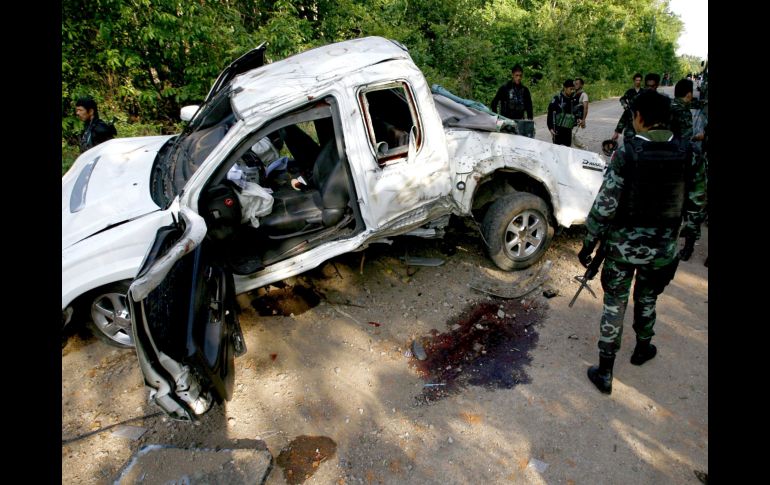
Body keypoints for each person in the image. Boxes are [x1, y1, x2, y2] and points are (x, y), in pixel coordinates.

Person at [578, 90, 706, 394]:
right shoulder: (690, 153)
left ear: (639, 118)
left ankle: (605, 371)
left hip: (622, 249)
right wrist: (678, 235)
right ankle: (642, 349)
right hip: (662, 249)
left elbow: (605, 205)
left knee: (615, 303)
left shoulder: (628, 152)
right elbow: (697, 204)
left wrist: (589, 242)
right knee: (648, 299)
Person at [669, 78, 707, 261]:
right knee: (693, 206)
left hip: (668, 161)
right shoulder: (682, 111)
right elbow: (684, 139)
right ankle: (688, 247)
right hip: (686, 161)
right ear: (689, 94)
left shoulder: (668, 106)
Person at [611, 73, 659, 142]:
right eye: (637, 80)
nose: (638, 82)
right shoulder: (631, 93)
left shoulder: (659, 102)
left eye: (639, 80)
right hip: (631, 127)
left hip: (646, 132)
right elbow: (626, 112)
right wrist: (617, 131)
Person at [546, 79, 579, 146]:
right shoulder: (557, 99)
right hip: (558, 131)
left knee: (567, 151)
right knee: (557, 151)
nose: (572, 91)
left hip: (568, 131)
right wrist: (550, 127)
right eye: (571, 89)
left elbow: (576, 112)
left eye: (573, 89)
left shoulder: (573, 100)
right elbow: (550, 113)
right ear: (565, 88)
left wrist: (579, 118)